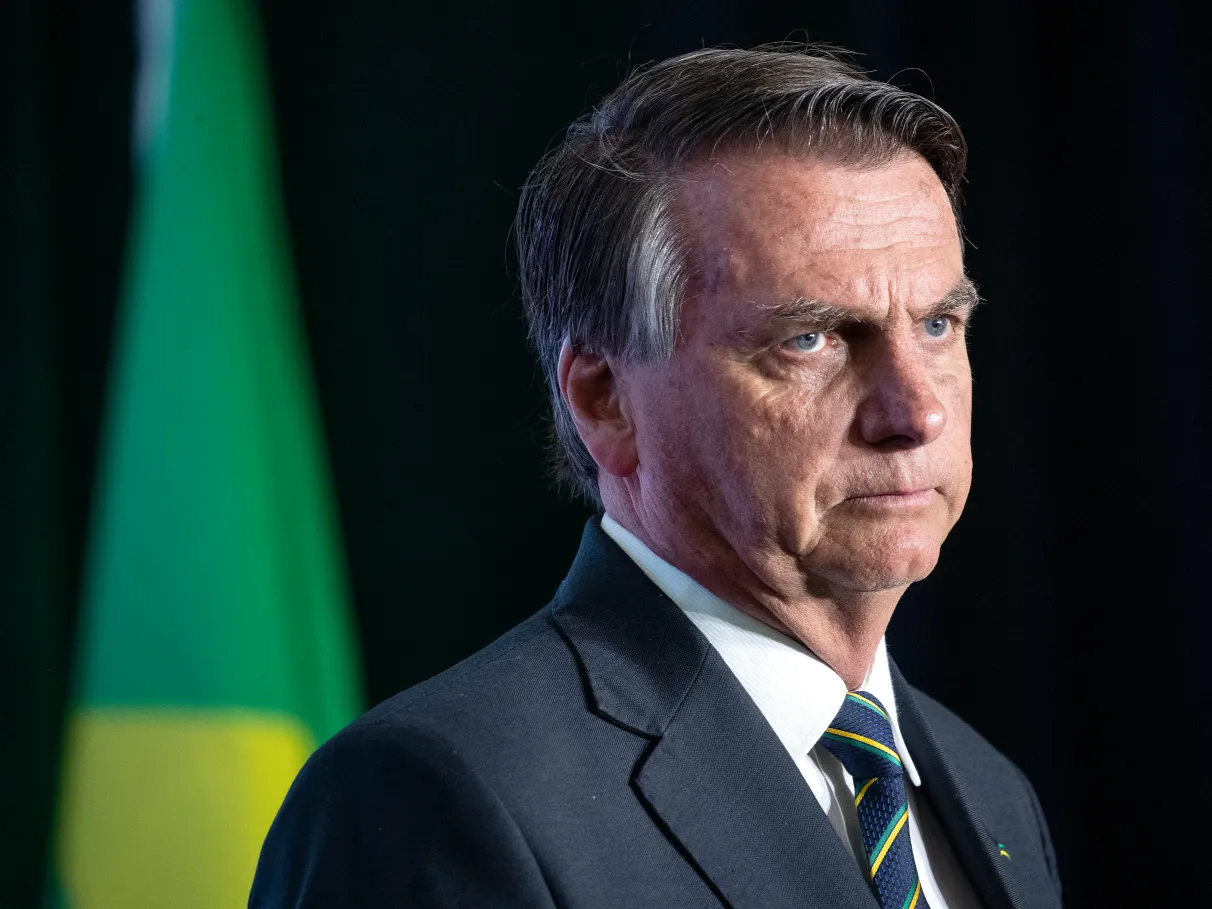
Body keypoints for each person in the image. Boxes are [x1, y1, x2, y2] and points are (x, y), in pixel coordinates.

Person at [249, 46, 1062, 909]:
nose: (916, 413)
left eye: (938, 325)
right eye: (811, 339)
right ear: (604, 401)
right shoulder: (434, 797)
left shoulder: (988, 788)